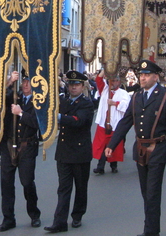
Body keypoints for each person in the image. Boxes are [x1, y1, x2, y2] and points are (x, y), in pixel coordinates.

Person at [105, 60, 166, 236]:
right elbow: (126, 122)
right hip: (140, 150)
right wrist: (112, 144)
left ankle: (151, 231)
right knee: (145, 191)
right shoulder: (136, 97)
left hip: (159, 149)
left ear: (156, 77)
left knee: (153, 192)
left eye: (147, 75)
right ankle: (150, 227)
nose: (143, 78)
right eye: (141, 75)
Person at [45, 70, 94, 233]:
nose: (73, 87)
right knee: (63, 188)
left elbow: (78, 121)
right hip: (64, 152)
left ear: (82, 86)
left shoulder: (86, 103)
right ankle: (59, 221)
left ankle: (78, 214)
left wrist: (57, 116)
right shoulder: (63, 101)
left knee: (80, 187)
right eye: (71, 84)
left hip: (80, 152)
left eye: (76, 85)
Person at [0, 71, 41, 232]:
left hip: (27, 145)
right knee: (6, 183)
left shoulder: (39, 101)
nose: (26, 85)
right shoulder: (14, 96)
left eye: (29, 82)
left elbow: (37, 123)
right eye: (23, 81)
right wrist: (9, 81)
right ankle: (8, 218)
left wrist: (21, 113)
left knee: (27, 181)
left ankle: (34, 214)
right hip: (8, 144)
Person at [92, 72, 130, 175]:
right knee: (102, 145)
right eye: (111, 80)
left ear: (119, 82)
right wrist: (106, 68)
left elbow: (126, 106)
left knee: (114, 145)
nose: (113, 83)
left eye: (115, 80)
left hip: (115, 124)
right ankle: (100, 167)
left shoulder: (123, 93)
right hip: (103, 123)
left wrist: (114, 103)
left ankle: (114, 166)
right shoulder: (105, 90)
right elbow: (98, 80)